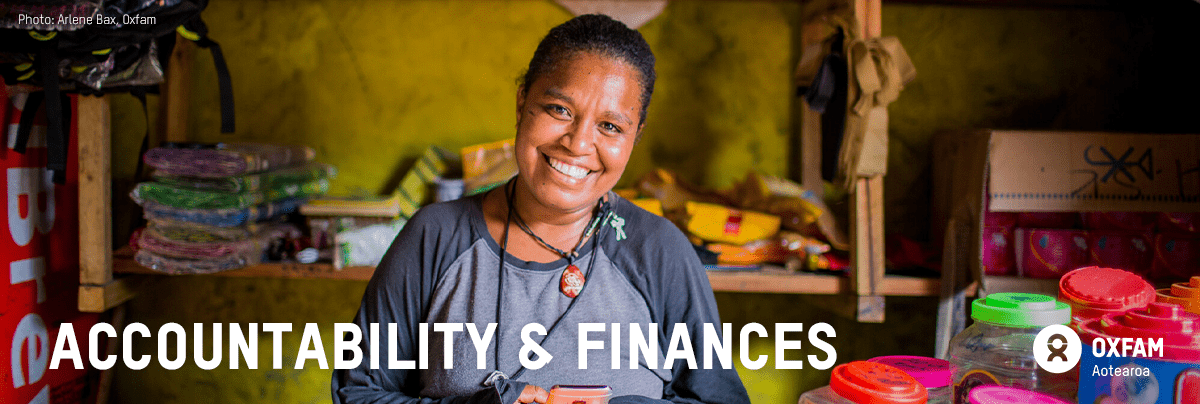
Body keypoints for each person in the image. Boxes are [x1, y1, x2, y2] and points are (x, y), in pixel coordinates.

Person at [332, 14, 749, 404]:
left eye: (610, 126)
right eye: (559, 110)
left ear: (634, 137)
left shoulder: (659, 252)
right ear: (521, 105)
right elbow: (357, 393)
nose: (578, 143)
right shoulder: (435, 237)